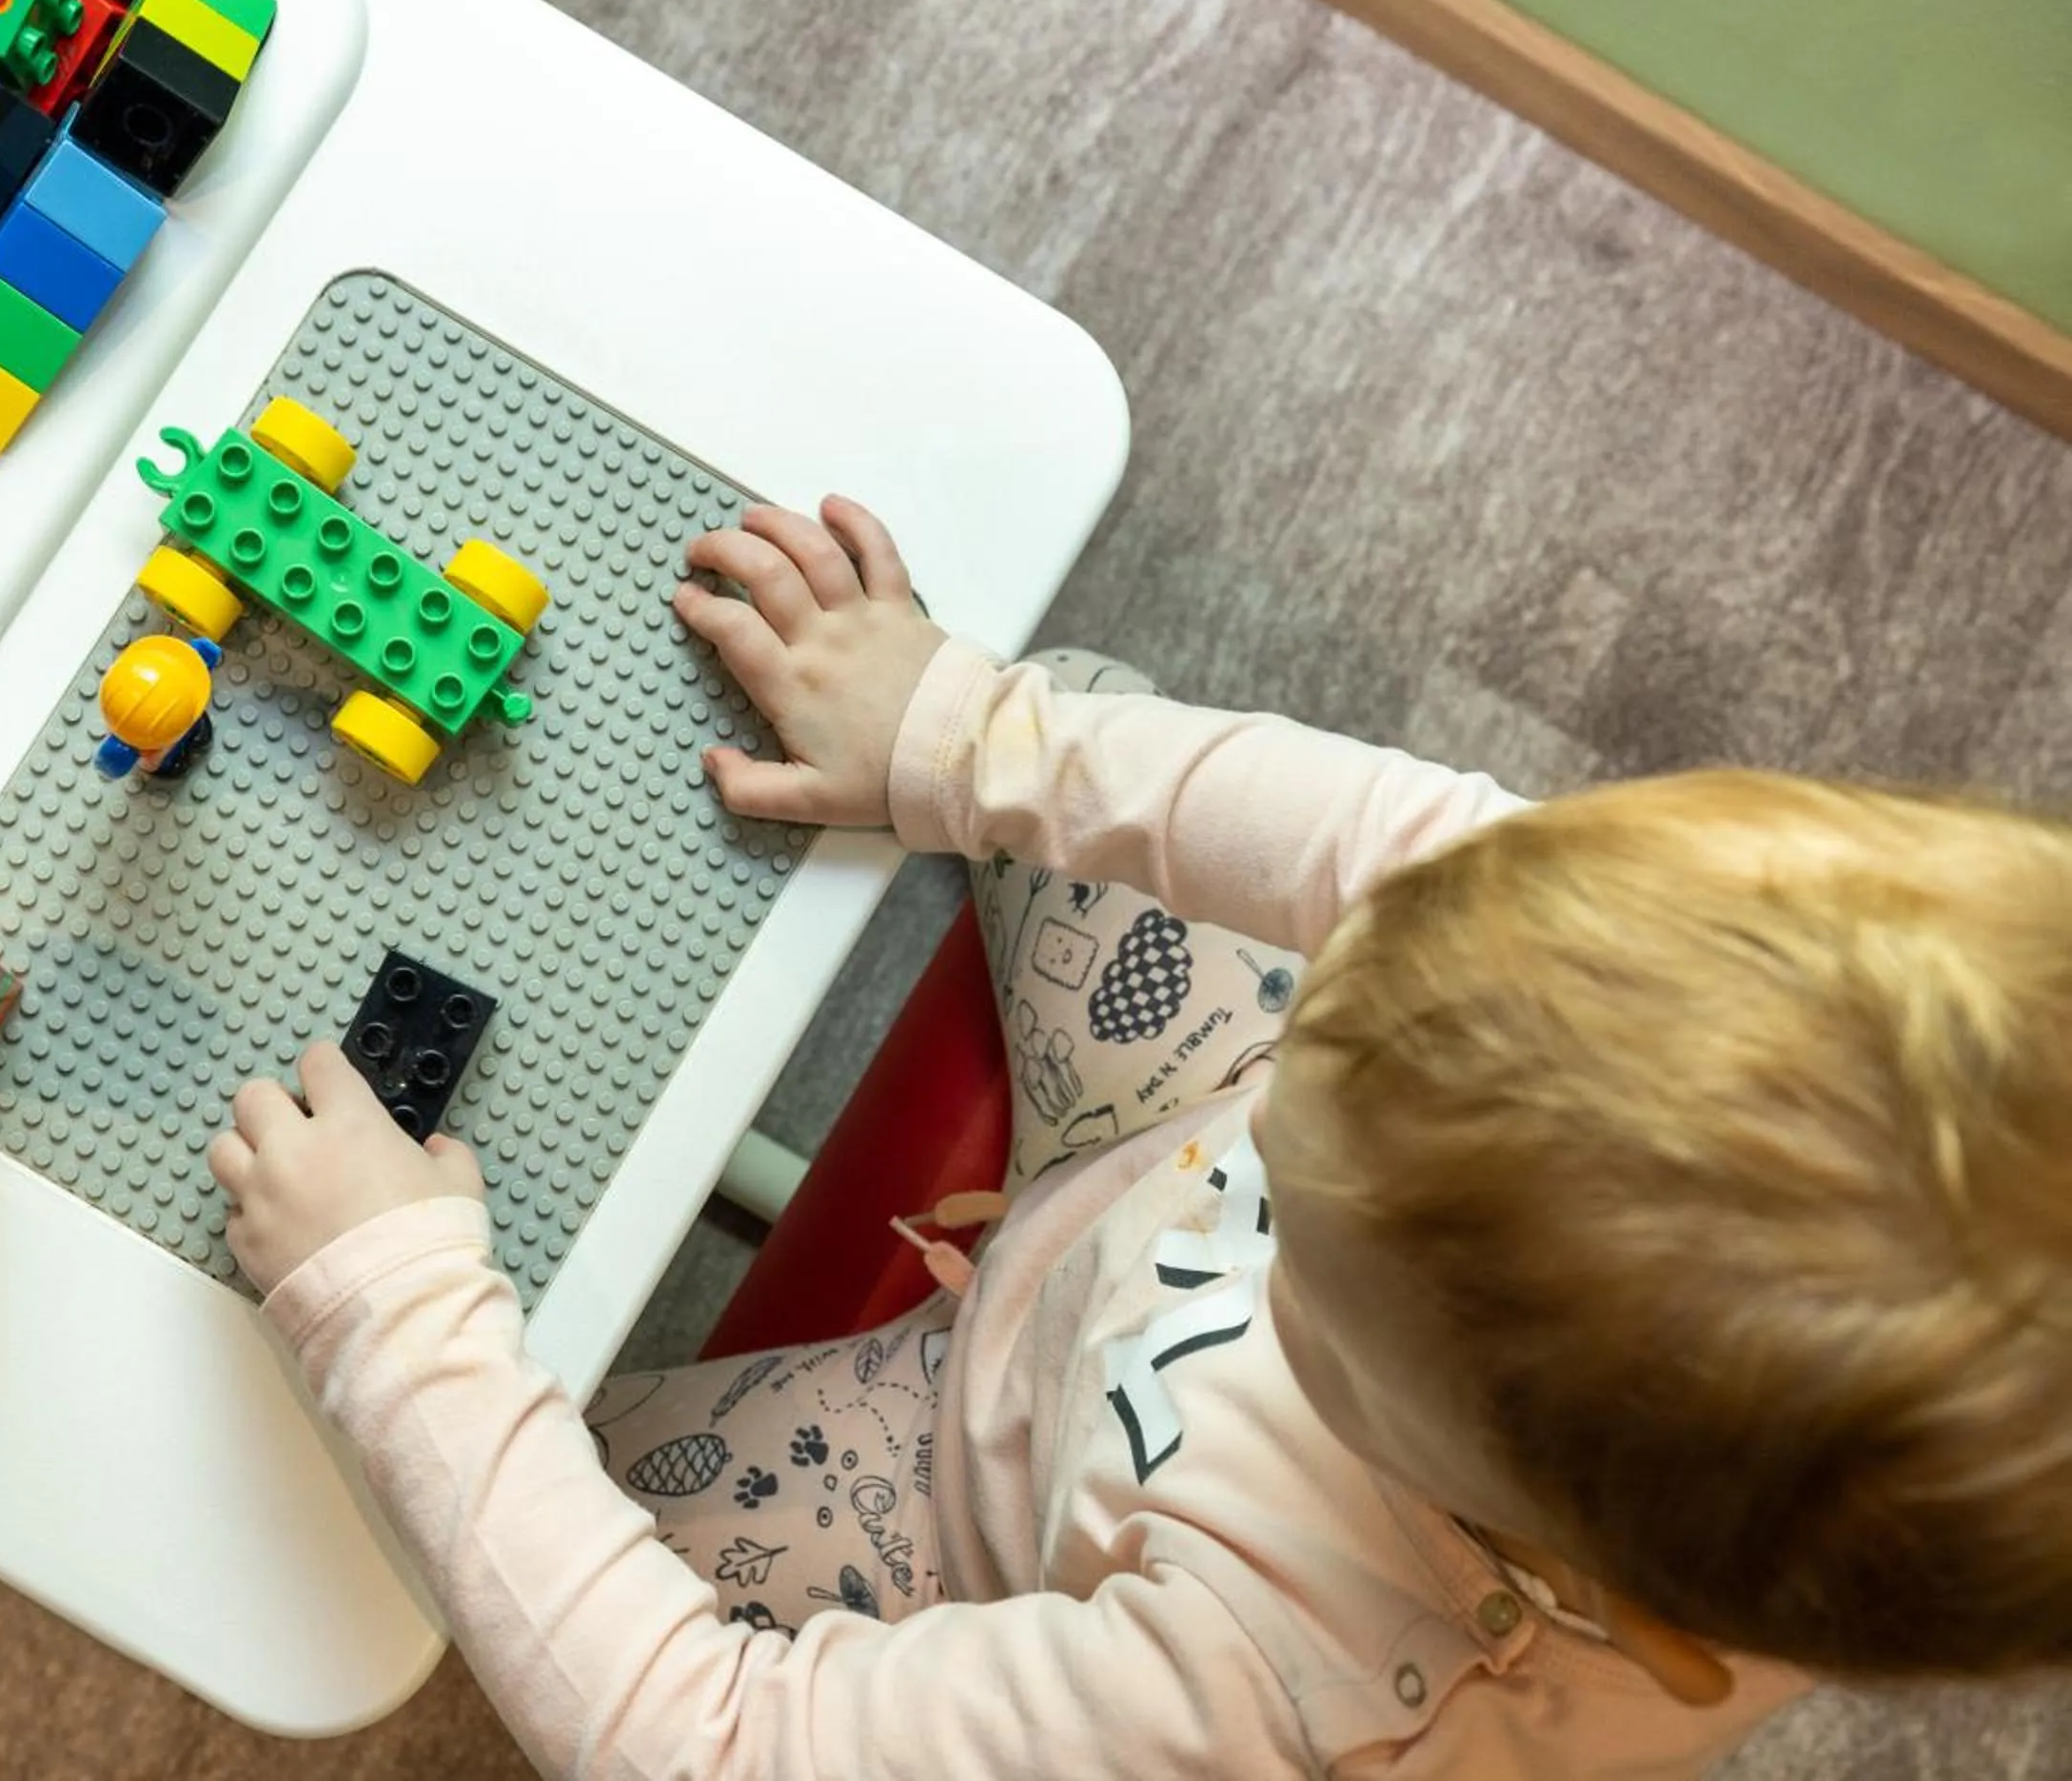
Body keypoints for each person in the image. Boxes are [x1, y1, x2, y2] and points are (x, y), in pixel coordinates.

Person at [207, 497, 2072, 1777]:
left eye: (1313, 1239)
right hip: (1150, 1146)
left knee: (503, 1511)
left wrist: (398, 1309)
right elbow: (1369, 837)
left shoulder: (1271, 1691)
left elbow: (705, 1736)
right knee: (1081, 723)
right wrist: (968, 727)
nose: (1329, 990)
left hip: (967, 1492)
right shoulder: (1658, 949)